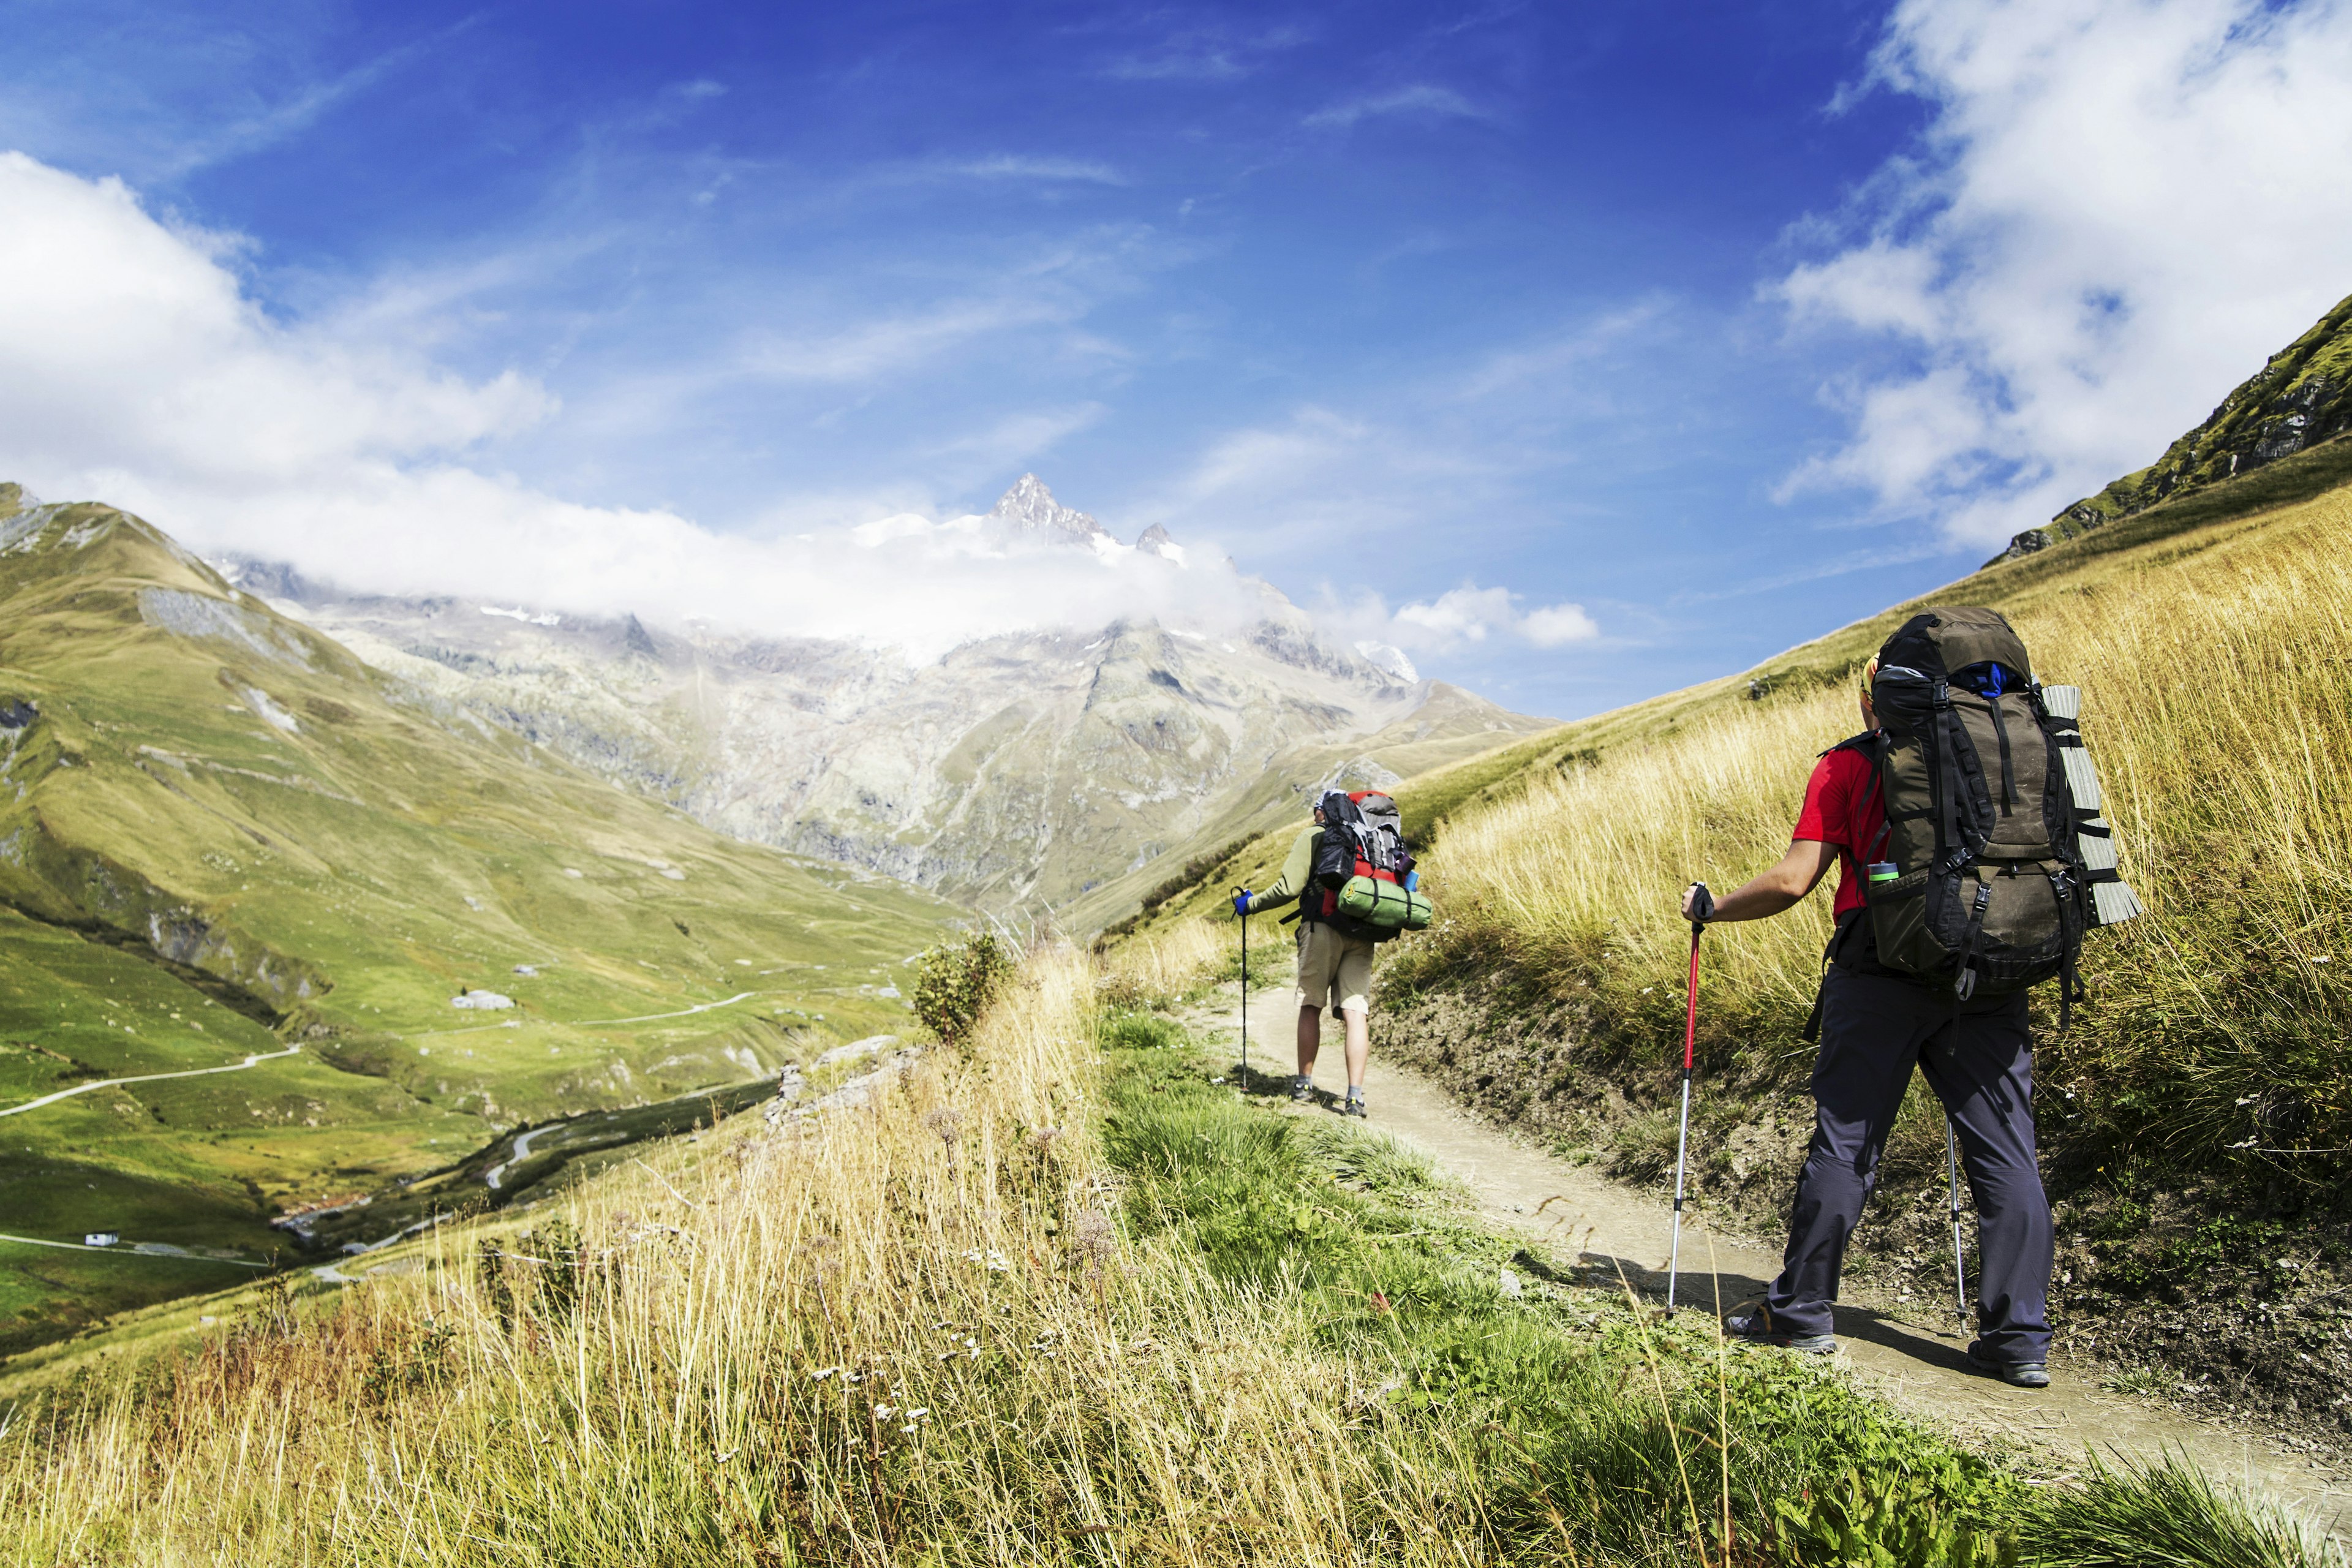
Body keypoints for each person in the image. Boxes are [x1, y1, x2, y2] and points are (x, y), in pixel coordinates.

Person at [1681, 657, 2055, 1389]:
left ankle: (1801, 1312)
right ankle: (2017, 1340)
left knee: (1847, 1143)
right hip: (1992, 976)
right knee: (2009, 1155)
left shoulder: (1849, 766)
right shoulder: (2017, 750)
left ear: (1871, 696)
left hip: (1878, 974)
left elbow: (1794, 880)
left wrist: (1712, 906)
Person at [1232, 795, 1376, 1117]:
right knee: (1355, 1012)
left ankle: (1304, 1084)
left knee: (1311, 1004)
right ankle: (1354, 1097)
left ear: (1321, 811)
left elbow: (1288, 887)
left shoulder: (1315, 835)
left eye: (1314, 811)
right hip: (1363, 932)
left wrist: (1250, 905)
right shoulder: (1367, 839)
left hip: (1321, 927)